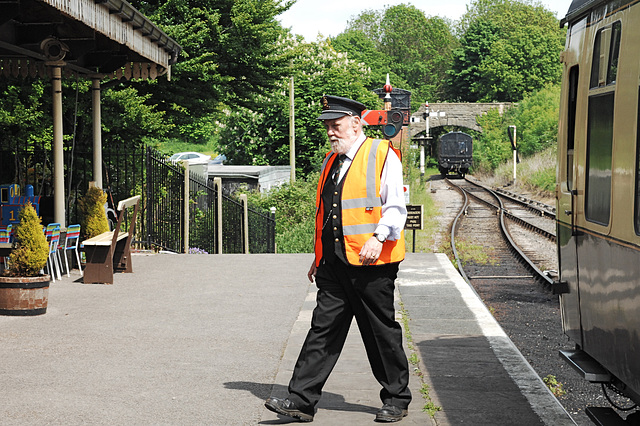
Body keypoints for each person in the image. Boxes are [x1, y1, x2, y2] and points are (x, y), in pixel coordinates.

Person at [265, 95, 410, 423]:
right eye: (328, 126)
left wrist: (379, 237)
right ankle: (301, 401)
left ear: (356, 123)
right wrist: (319, 257)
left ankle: (397, 399)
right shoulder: (332, 161)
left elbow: (395, 207)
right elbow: (328, 213)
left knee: (380, 331)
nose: (331, 132)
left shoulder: (381, 154)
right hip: (334, 263)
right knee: (322, 330)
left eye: (336, 125)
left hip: (372, 262)